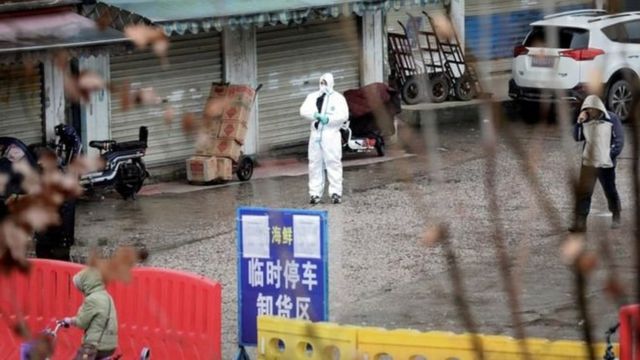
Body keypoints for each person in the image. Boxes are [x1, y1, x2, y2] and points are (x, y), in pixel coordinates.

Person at [570, 94, 624, 232]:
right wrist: (579, 122)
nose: (590, 112)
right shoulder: (586, 120)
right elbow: (577, 137)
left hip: (606, 164)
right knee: (584, 193)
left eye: (592, 109)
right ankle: (581, 222)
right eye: (587, 109)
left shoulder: (612, 119)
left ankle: (616, 213)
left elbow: (619, 141)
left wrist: (608, 156)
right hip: (588, 163)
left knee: (610, 190)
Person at [299, 73, 349, 204]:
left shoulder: (338, 99)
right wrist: (315, 115)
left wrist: (329, 119)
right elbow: (303, 110)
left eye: (325, 83)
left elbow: (344, 115)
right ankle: (315, 194)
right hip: (315, 135)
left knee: (333, 163)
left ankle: (336, 193)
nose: (323, 86)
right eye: (321, 83)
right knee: (314, 164)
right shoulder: (313, 97)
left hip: (331, 135)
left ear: (331, 83)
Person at [63, 267, 118, 359]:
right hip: (110, 345)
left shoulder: (92, 299)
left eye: (81, 287)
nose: (81, 291)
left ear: (86, 284)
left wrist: (69, 320)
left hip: (96, 346)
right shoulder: (107, 296)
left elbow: (81, 323)